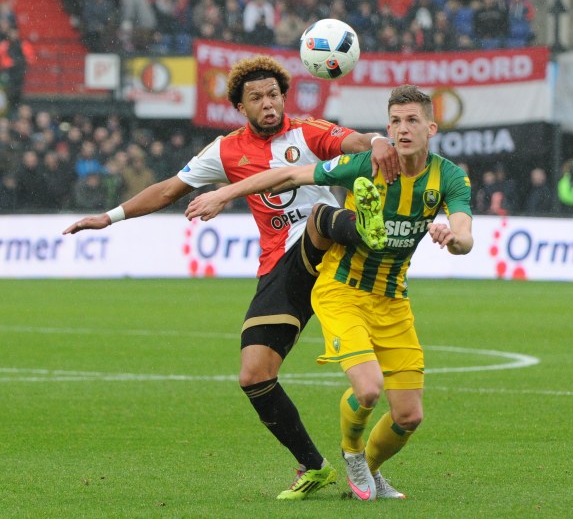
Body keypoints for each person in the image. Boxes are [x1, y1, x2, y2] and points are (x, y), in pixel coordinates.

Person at [62, 55, 399, 500]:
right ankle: (313, 466)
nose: (268, 103)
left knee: (317, 215)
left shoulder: (309, 131)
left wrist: (377, 139)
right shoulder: (225, 151)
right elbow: (167, 190)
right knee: (254, 374)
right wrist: (109, 217)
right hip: (282, 264)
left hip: (329, 250)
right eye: (256, 97)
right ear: (240, 107)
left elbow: (356, 140)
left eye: (274, 94)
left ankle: (366, 229)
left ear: (284, 98)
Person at [184, 84, 474, 500]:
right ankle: (353, 454)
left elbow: (465, 235)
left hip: (393, 299)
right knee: (369, 389)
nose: (402, 130)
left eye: (412, 121)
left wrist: (451, 237)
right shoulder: (364, 165)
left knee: (409, 416)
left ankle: (370, 471)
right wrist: (224, 193)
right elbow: (289, 174)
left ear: (431, 127)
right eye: (395, 121)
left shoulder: (447, 176)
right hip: (342, 290)